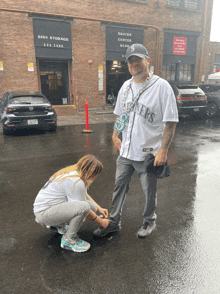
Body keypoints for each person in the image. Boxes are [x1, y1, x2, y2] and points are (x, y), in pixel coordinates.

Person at [93, 44, 179, 238]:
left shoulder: (161, 87)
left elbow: (171, 122)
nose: (134, 64)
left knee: (149, 191)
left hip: (148, 152)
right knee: (119, 187)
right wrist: (115, 136)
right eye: (130, 60)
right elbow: (120, 116)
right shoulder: (126, 86)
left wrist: (163, 150)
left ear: (148, 60)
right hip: (126, 151)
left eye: (138, 59)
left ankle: (149, 221)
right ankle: (113, 222)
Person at [33, 154, 110, 252]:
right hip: (44, 215)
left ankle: (58, 224)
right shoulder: (76, 182)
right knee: (85, 207)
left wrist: (99, 208)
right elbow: (83, 208)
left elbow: (84, 194)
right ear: (92, 173)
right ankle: (69, 240)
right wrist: (101, 221)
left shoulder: (74, 172)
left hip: (46, 209)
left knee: (92, 207)